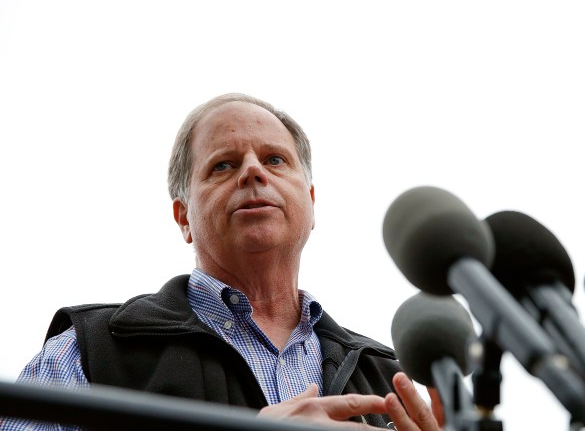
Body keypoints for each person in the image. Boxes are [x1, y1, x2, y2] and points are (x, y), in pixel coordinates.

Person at [0, 93, 442, 430]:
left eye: (274, 159)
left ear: (310, 203)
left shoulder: (388, 380)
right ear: (183, 217)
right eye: (223, 166)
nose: (253, 171)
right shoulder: (87, 353)